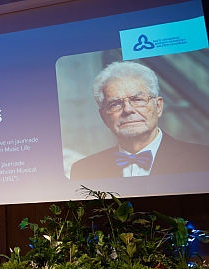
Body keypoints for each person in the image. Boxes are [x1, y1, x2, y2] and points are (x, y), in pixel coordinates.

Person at [70, 61, 209, 180]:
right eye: (115, 104)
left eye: (137, 100)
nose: (128, 110)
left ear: (158, 106)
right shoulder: (83, 170)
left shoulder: (203, 159)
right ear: (104, 117)